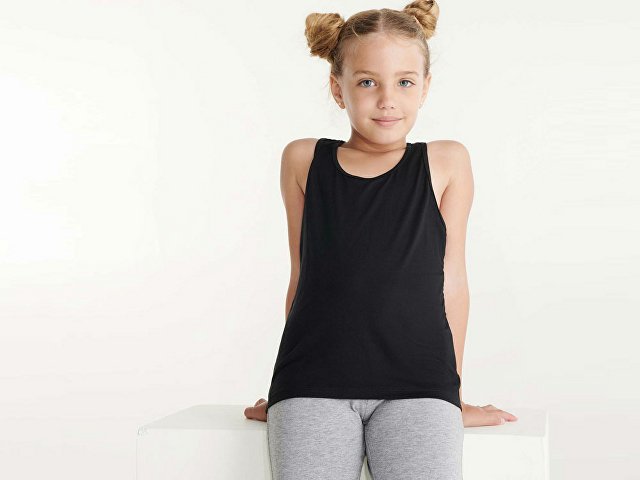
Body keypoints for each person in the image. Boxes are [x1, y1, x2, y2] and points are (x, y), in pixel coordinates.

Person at [245, 1, 518, 478]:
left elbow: (452, 282)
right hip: (312, 383)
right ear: (338, 88)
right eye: (368, 82)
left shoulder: (447, 162)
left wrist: (451, 396)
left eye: (404, 82)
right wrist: (287, 387)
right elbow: (303, 276)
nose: (387, 99)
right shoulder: (303, 160)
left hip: (420, 385)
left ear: (425, 87)